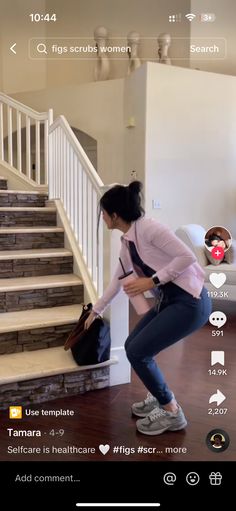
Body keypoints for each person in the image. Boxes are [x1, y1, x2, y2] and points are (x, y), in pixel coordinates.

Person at [85, 181, 212, 436]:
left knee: (138, 352)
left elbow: (188, 256)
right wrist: (96, 310)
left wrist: (152, 281)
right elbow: (118, 281)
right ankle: (160, 395)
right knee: (134, 345)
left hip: (190, 302)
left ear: (114, 215)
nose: (102, 217)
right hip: (169, 300)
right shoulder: (127, 241)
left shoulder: (150, 228)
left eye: (103, 212)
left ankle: (173, 413)